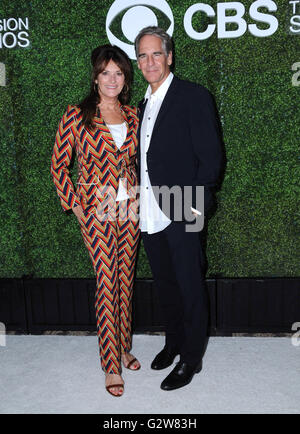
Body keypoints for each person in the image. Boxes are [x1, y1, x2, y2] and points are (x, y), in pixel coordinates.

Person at [135, 27, 222, 391]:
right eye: (143, 55)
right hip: (151, 209)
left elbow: (212, 159)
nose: (150, 61)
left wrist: (195, 210)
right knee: (166, 284)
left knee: (188, 284)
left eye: (156, 54)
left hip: (182, 205)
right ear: (137, 62)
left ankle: (191, 358)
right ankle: (173, 342)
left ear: (169, 56)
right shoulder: (141, 103)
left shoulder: (193, 96)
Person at [51, 44, 140, 397]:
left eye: (118, 72)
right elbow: (60, 166)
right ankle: (110, 365)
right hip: (96, 209)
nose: (112, 79)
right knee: (106, 282)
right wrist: (77, 208)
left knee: (125, 280)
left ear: (125, 77)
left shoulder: (133, 115)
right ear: (95, 76)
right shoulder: (77, 115)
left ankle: (123, 345)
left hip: (130, 207)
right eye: (106, 72)